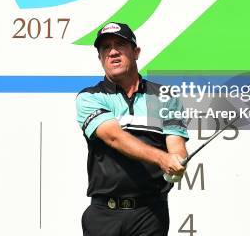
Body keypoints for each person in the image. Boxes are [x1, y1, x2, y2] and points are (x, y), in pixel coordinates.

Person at [75, 22, 189, 236]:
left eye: (120, 44)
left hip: (150, 214)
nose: (113, 52)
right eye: (105, 48)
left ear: (136, 52)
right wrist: (163, 159)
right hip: (104, 216)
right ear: (100, 58)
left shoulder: (165, 96)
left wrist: (177, 165)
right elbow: (114, 137)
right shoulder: (89, 97)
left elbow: (176, 147)